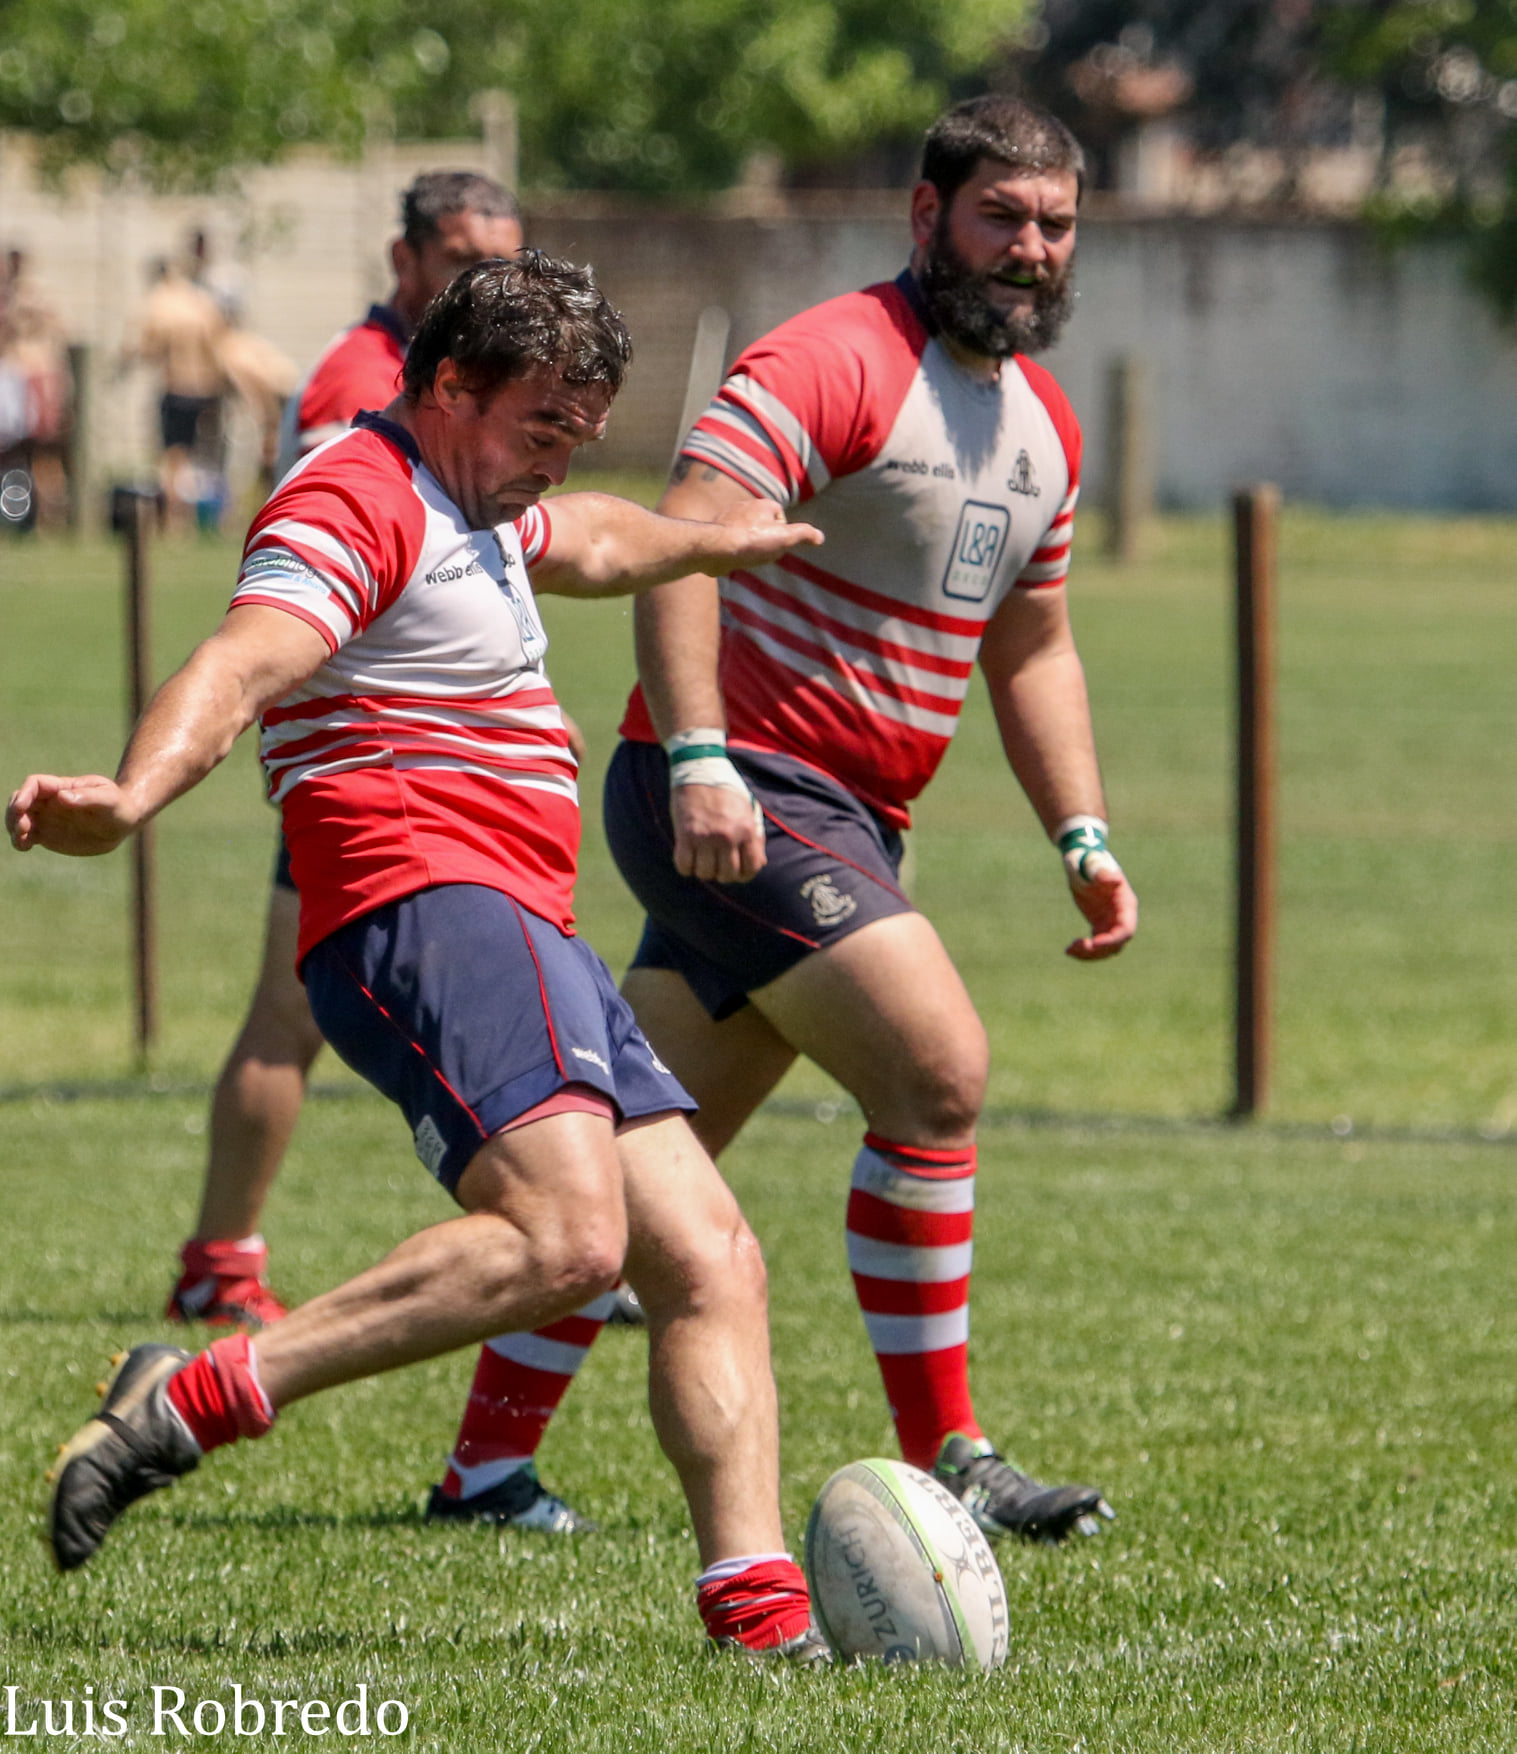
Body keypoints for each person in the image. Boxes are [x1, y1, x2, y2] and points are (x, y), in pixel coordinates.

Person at [10, 253, 829, 1660]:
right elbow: (242, 660)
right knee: (571, 1239)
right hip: (427, 893)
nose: (554, 460)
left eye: (577, 433)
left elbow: (589, 539)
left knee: (709, 1254)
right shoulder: (359, 492)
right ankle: (196, 1394)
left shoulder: (483, 502)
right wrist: (135, 794)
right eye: (538, 426)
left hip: (523, 920)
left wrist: (709, 543)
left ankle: (761, 1622)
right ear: (449, 383)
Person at [588, 94, 1138, 1544]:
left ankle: (478, 1466)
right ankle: (950, 1451)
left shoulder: (1045, 428)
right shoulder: (833, 357)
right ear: (925, 216)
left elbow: (1034, 649)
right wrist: (701, 753)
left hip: (846, 823)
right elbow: (679, 546)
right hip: (737, 796)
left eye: (1054, 226)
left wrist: (1082, 839)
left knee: (630, 1168)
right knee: (939, 1069)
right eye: (1000, 219)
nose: (1029, 251)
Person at [166, 171, 525, 1333]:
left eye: (502, 262)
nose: (484, 283)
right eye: (464, 259)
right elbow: (350, 560)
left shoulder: (466, 377)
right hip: (369, 757)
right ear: (403, 259)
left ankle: (560, 1226)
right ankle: (225, 1258)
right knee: (292, 1011)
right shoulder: (364, 384)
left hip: (443, 761)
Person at [126, 259, 228, 532]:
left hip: (176, 387)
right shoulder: (199, 303)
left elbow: (149, 348)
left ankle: (174, 521)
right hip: (204, 387)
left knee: (173, 458)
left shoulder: (162, 305)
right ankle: (194, 519)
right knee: (196, 456)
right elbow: (217, 346)